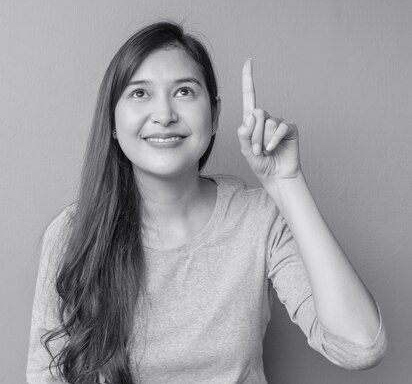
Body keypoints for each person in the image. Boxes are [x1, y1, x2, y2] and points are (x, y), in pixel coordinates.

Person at [26, 20, 388, 384]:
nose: (164, 115)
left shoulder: (258, 218)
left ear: (214, 115)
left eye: (184, 91)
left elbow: (360, 347)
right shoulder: (74, 232)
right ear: (113, 122)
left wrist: (287, 182)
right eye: (139, 94)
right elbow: (46, 375)